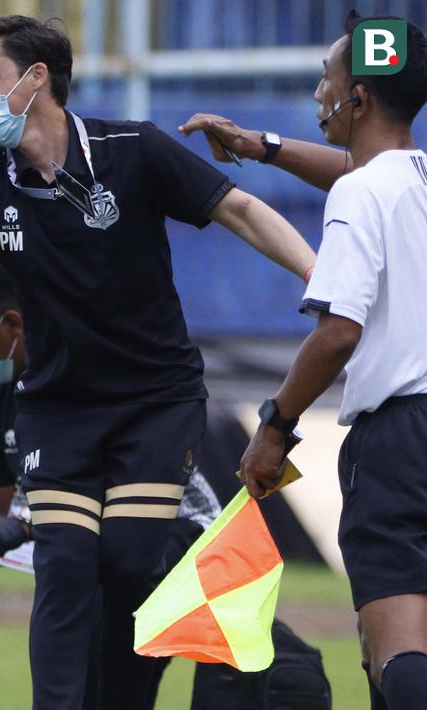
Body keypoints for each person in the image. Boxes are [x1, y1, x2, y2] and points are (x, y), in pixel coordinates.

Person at [0, 15, 317, 710]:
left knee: (130, 560)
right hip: (57, 406)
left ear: (35, 78)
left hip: (154, 399)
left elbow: (243, 211)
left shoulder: (133, 148)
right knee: (64, 564)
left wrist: (321, 280)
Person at [0, 252, 331, 709]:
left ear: (13, 324)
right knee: (86, 653)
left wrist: (22, 525)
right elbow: (2, 518)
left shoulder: (94, 372)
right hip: (93, 550)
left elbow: (95, 496)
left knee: (272, 680)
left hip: (177, 540)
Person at [236, 13, 427, 710]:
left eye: (328, 77)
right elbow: (357, 171)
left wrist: (274, 424)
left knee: (397, 655)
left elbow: (337, 332)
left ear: (359, 99)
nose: (319, 90)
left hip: (400, 441)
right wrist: (261, 147)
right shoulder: (411, 179)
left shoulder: (359, 192)